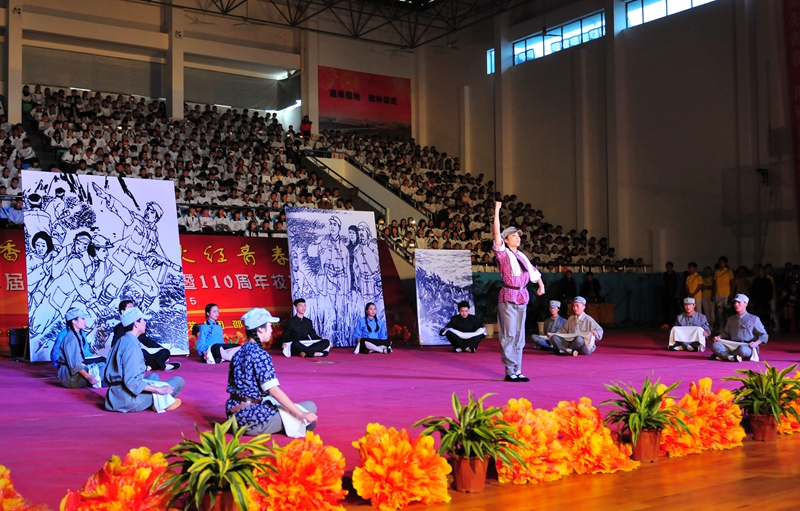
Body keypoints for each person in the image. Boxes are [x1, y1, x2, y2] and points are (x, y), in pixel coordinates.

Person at [226, 308, 318, 436]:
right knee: (310, 407)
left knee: (299, 409)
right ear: (260, 329)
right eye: (269, 325)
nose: (271, 330)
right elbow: (274, 391)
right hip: (251, 418)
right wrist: (301, 414)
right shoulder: (260, 355)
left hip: (233, 414)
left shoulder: (238, 353)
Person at [492, 201, 544, 382]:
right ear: (506, 240)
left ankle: (518, 369)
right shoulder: (503, 253)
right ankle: (509, 370)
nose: (517, 238)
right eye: (513, 236)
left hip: (522, 295)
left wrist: (541, 285)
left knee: (520, 335)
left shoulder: (522, 255)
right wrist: (497, 210)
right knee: (509, 334)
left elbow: (533, 272)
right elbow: (496, 233)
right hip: (509, 295)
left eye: (518, 236)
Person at [104, 307, 185, 412]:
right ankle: (162, 402)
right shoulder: (132, 346)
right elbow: (132, 382)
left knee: (154, 377)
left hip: (114, 396)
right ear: (136, 324)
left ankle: (158, 401)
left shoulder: (122, 340)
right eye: (143, 320)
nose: (145, 323)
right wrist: (158, 390)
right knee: (178, 381)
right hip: (128, 400)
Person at [112, 300, 179, 371]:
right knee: (141, 352)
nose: (145, 323)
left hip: (141, 354)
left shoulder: (138, 329)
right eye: (130, 308)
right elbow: (115, 346)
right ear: (136, 324)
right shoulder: (121, 330)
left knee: (164, 352)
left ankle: (148, 366)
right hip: (130, 356)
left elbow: (146, 340)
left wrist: (160, 348)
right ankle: (161, 366)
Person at [56, 306, 105, 388]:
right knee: (103, 367)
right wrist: (89, 377)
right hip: (70, 378)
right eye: (82, 319)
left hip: (70, 376)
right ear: (74, 321)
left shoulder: (76, 335)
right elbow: (75, 365)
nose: (85, 321)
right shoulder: (71, 338)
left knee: (102, 365)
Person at [711, 294, 768, 362]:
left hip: (747, 346)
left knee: (742, 350)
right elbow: (725, 333)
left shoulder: (754, 319)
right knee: (715, 345)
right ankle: (731, 357)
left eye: (739, 302)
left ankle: (724, 356)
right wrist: (719, 337)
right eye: (735, 302)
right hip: (733, 345)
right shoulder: (730, 319)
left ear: (746, 304)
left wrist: (756, 343)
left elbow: (764, 335)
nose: (736, 304)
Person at [714, 256, 734, 332]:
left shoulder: (729, 272)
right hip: (718, 294)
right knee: (719, 312)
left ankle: (728, 328)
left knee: (727, 312)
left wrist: (731, 294)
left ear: (725, 263)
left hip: (726, 294)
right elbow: (715, 284)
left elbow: (733, 283)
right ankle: (721, 327)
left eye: (722, 262)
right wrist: (714, 294)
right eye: (720, 262)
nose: (721, 264)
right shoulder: (717, 272)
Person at [661, 262, 680, 329]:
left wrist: (678, 296)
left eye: (669, 266)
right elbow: (663, 285)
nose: (668, 267)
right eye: (667, 266)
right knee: (666, 310)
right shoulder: (664, 275)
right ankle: (666, 324)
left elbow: (678, 285)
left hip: (674, 295)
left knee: (676, 310)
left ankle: (678, 323)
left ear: (672, 267)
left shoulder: (675, 275)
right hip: (666, 295)